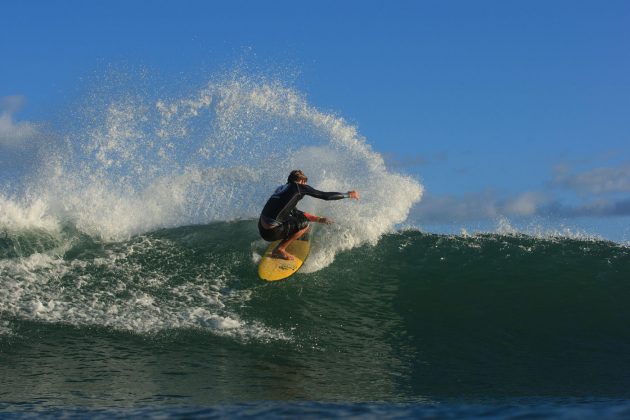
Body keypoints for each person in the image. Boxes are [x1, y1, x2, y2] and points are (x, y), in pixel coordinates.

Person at [258, 170, 359, 260]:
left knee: (298, 219)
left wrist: (319, 219)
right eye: (305, 183)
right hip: (272, 231)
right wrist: (348, 195)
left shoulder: (282, 189)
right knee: (305, 225)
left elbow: (295, 212)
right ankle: (280, 249)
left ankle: (289, 236)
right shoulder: (299, 187)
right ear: (301, 181)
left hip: (262, 229)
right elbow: (326, 196)